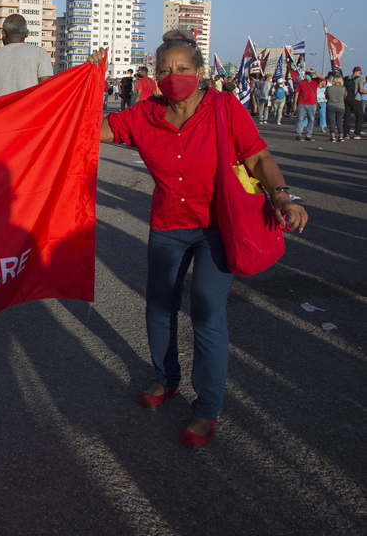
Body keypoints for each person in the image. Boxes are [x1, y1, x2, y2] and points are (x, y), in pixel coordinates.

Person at [89, 29, 308, 448]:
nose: (174, 76)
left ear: (201, 71)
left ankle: (207, 408)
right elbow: (88, 129)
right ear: (155, 76)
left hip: (217, 229)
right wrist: (88, 81)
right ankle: (166, 378)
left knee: (207, 314)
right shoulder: (143, 114)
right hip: (169, 225)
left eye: (183, 68)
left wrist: (282, 195)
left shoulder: (224, 107)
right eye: (164, 70)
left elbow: (258, 155)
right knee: (159, 307)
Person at [0, 14, 52, 99]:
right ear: (27, 33)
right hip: (32, 107)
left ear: (3, 34)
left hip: (4, 108)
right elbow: (47, 91)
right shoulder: (40, 54)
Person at [294, 69, 325, 141]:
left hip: (312, 103)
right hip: (301, 103)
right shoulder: (301, 82)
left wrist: (314, 72)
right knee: (300, 119)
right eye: (306, 74)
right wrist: (295, 104)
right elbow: (297, 93)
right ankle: (298, 134)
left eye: (308, 74)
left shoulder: (315, 81)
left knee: (311, 119)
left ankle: (308, 135)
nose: (307, 76)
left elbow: (322, 77)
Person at [324, 73, 347, 143]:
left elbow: (326, 96)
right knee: (339, 122)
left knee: (332, 122)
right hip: (340, 106)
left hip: (331, 105)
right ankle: (341, 137)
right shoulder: (343, 88)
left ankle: (333, 137)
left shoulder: (329, 88)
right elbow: (345, 96)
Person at [342, 66, 363, 139]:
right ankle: (357, 133)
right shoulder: (359, 79)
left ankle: (346, 133)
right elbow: (361, 90)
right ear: (359, 72)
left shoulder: (346, 78)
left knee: (347, 116)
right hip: (355, 99)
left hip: (346, 99)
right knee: (360, 116)